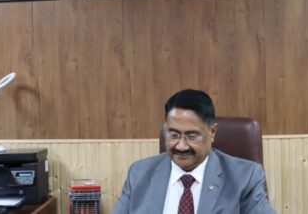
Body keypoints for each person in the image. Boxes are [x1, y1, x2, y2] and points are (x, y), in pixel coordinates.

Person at [111, 89, 276, 214]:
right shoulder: (139, 174)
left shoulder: (244, 177)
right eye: (174, 135)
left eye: (191, 136)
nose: (181, 146)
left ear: (212, 132)